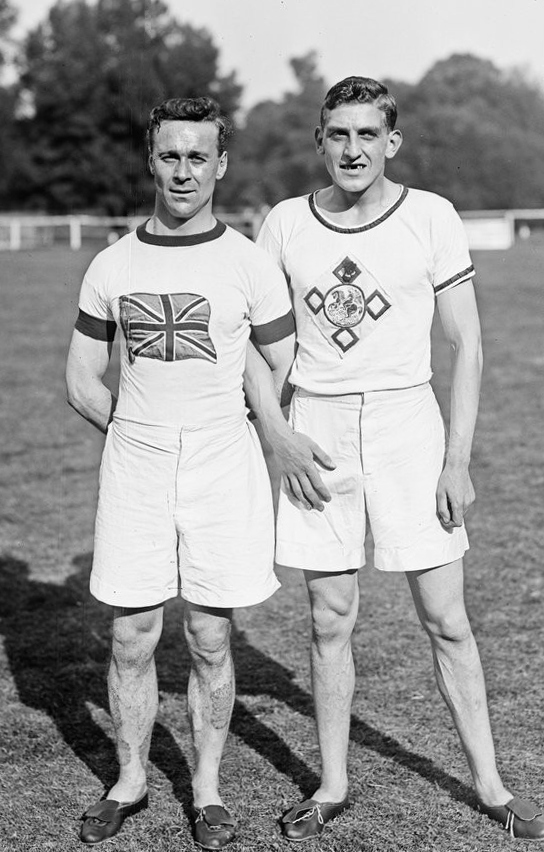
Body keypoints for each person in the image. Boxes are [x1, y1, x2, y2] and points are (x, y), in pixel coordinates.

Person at [254, 76, 544, 842]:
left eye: (367, 135)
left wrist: (457, 460)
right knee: (329, 618)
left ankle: (491, 785)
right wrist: (277, 435)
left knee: (446, 619)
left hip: (408, 427)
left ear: (392, 142)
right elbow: (255, 341)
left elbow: (467, 343)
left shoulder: (431, 216)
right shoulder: (285, 223)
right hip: (318, 429)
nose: (353, 150)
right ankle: (332, 785)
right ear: (320, 141)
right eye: (338, 135)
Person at [65, 95, 332, 849]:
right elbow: (82, 377)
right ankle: (130, 780)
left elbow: (284, 366)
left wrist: (243, 428)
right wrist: (134, 434)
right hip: (137, 465)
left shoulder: (248, 263)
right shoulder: (112, 264)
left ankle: (207, 790)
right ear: (151, 160)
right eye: (169, 155)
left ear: (220, 164)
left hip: (223, 462)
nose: (183, 171)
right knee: (132, 635)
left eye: (197, 157)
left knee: (211, 636)